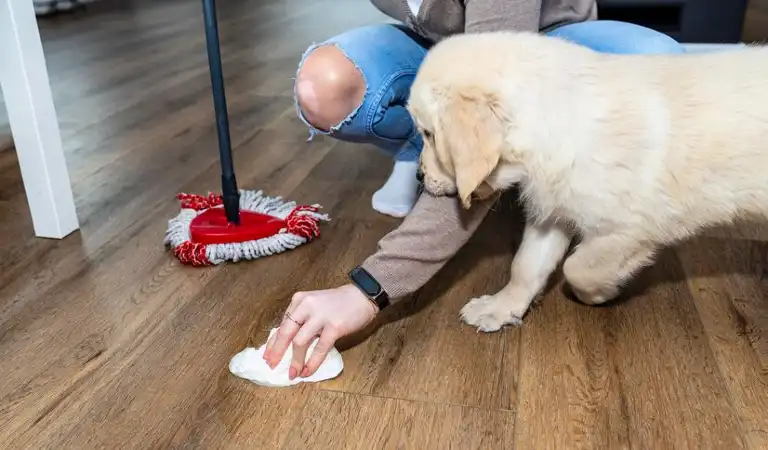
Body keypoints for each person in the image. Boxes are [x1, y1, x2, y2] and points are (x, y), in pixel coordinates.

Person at [264, 0, 685, 380]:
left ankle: (538, 168)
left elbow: (488, 102)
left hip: (550, 40)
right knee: (324, 84)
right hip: (441, 45)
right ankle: (424, 147)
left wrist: (368, 289)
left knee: (661, 66)